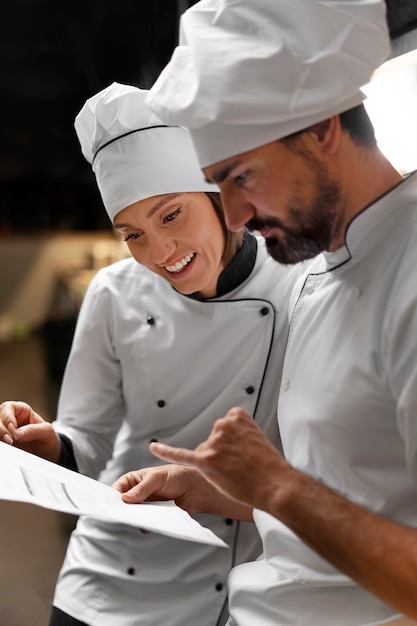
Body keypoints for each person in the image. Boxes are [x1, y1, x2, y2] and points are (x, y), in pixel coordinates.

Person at [113, 1, 417, 625]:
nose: (234, 216)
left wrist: (277, 483)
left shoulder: (408, 270)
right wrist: (221, 486)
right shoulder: (320, 265)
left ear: (321, 129)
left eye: (242, 176)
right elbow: (351, 496)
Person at [0, 82, 306, 626]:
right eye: (133, 234)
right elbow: (88, 438)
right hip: (108, 570)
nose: (160, 253)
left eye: (171, 216)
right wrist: (50, 442)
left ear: (219, 197)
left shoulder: (300, 284)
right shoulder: (114, 292)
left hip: (226, 573)